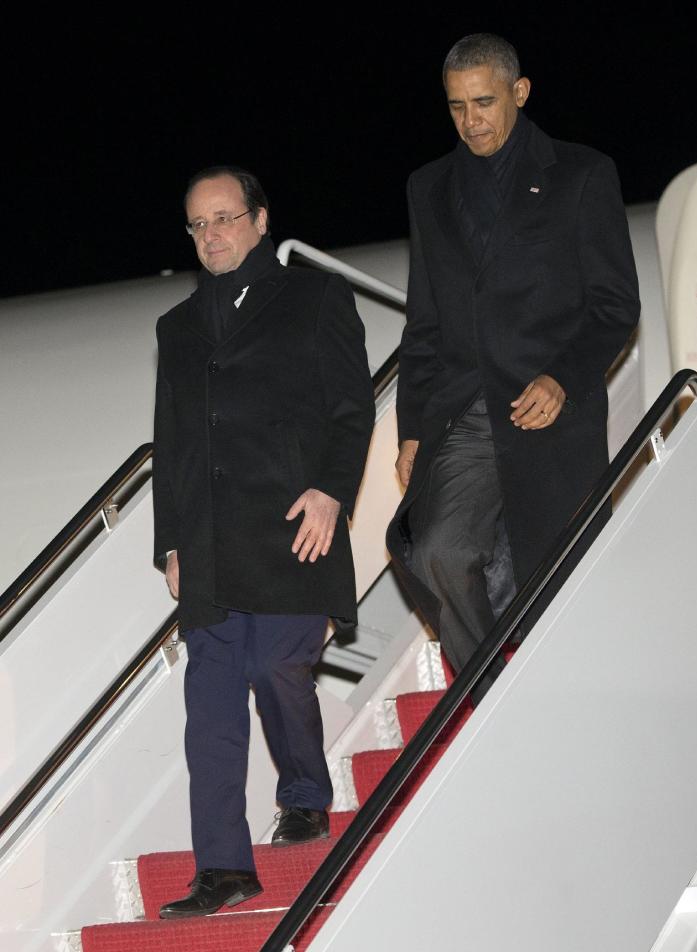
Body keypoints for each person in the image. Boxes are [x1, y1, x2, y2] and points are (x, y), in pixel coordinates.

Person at [387, 35, 640, 698]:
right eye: (456, 107)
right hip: (464, 408)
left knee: (564, 577)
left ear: (519, 93)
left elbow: (616, 305)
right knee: (438, 550)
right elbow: (424, 321)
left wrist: (564, 376)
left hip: (547, 406)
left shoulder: (582, 174)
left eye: (484, 102)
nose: (471, 119)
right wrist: (412, 426)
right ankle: (492, 693)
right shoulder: (428, 188)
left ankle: (584, 696)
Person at [152, 167, 374, 918]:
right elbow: (172, 441)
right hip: (209, 543)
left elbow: (351, 408)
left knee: (278, 666)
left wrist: (332, 489)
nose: (212, 235)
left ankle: (306, 793)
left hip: (292, 528)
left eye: (224, 218)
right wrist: (171, 543)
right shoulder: (176, 328)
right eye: (198, 224)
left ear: (260, 218)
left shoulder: (313, 298)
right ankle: (223, 867)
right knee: (209, 701)